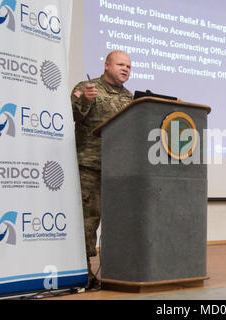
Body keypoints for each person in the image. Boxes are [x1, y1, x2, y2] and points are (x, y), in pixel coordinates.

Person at [71, 50, 133, 289]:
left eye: (128, 66)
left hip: (118, 171)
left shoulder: (130, 97)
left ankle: (117, 270)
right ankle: (82, 273)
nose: (125, 69)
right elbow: (72, 113)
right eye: (120, 64)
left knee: (119, 223)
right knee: (88, 222)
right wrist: (85, 100)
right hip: (90, 167)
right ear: (107, 65)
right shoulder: (88, 88)